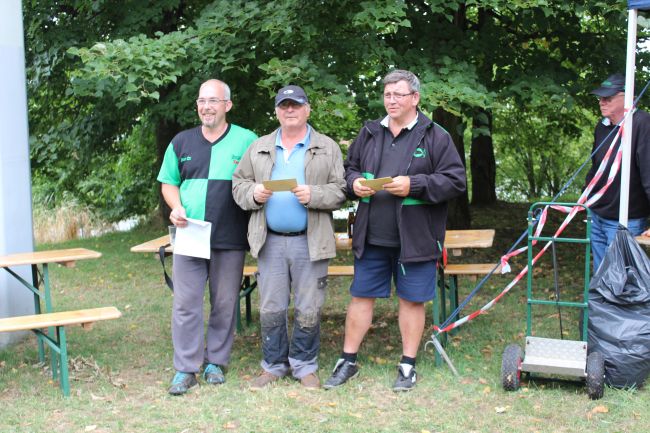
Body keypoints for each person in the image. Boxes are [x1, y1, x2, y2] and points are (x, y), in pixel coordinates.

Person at [324, 69, 466, 392]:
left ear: (415, 98)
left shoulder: (436, 136)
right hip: (371, 236)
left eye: (398, 95)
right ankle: (347, 361)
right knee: (360, 297)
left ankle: (408, 366)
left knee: (412, 301)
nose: (391, 101)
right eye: (387, 95)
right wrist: (354, 183)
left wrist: (414, 185)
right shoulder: (370, 132)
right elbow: (350, 169)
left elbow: (456, 180)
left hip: (415, 238)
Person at [232, 85, 346, 390]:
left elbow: (341, 190)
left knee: (309, 305)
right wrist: (253, 193)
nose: (290, 110)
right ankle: (273, 365)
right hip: (269, 240)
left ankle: (305, 366)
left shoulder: (327, 147)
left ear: (308, 109)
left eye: (296, 105)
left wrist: (315, 194)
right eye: (284, 105)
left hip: (310, 239)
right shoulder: (258, 147)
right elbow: (238, 183)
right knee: (271, 306)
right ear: (277, 111)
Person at [157, 79, 257, 395]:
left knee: (225, 302)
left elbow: (261, 182)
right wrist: (175, 207)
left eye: (213, 101)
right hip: (190, 234)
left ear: (227, 105)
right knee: (185, 303)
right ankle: (186, 368)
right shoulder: (181, 142)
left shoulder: (247, 140)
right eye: (202, 101)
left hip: (231, 234)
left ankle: (215, 361)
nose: (206, 107)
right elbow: (168, 183)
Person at [586, 73, 650, 272]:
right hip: (597, 214)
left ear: (627, 97)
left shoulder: (642, 123)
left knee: (620, 282)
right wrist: (586, 198)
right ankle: (598, 304)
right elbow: (597, 167)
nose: (602, 102)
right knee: (601, 277)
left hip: (626, 219)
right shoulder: (602, 126)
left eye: (608, 97)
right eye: (600, 98)